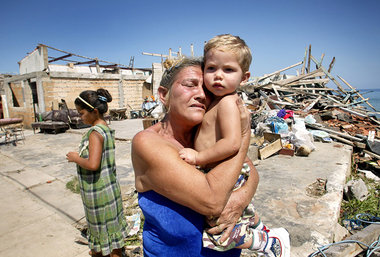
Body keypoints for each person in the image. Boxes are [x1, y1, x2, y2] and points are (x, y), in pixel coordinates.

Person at [132, 57, 285, 257]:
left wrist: (239, 200)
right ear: (163, 95)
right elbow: (212, 201)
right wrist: (244, 135)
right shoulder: (148, 143)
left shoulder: (205, 137)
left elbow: (251, 173)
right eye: (190, 85)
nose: (201, 95)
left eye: (206, 89)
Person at [178, 34, 290, 256]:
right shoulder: (217, 102)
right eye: (211, 69)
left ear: (244, 77)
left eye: (228, 70)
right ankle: (264, 229)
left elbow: (231, 144)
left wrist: (198, 157)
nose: (218, 76)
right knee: (244, 214)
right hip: (223, 170)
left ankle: (269, 243)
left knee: (218, 232)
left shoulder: (228, 103)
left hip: (227, 172)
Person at [66, 89, 128, 257]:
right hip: (109, 188)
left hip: (98, 193)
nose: (80, 117)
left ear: (94, 111)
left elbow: (93, 164)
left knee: (101, 230)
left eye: (82, 113)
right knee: (110, 230)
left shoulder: (94, 133)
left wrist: (75, 158)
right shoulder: (105, 128)